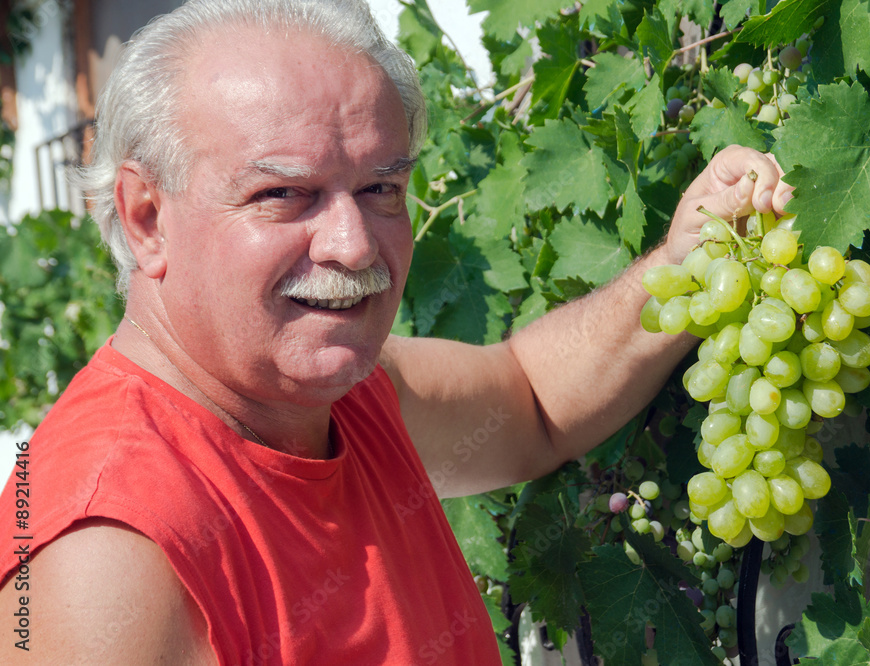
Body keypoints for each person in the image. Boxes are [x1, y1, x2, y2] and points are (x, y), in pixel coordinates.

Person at [0, 0, 791, 663]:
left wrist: (684, 261)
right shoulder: (104, 555)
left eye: (381, 187)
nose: (352, 243)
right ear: (147, 220)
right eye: (285, 193)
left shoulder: (354, 401)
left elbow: (532, 399)